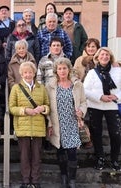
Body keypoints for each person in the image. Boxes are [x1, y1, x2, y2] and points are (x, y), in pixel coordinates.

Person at [46, 57, 87, 188]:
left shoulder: (77, 84)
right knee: (61, 152)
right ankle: (64, 176)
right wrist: (49, 124)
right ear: (56, 71)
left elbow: (83, 102)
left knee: (72, 153)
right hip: (58, 123)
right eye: (59, 69)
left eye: (64, 68)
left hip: (72, 123)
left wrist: (81, 111)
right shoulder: (50, 86)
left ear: (69, 70)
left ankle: (72, 180)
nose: (62, 71)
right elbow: (46, 105)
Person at [9, 62, 50, 188]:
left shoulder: (41, 88)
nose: (28, 74)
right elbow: (11, 108)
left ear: (34, 73)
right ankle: (26, 181)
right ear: (21, 74)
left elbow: (48, 106)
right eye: (25, 72)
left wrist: (43, 108)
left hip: (38, 127)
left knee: (37, 156)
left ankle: (35, 181)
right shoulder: (16, 88)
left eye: (30, 72)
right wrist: (25, 110)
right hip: (23, 127)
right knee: (24, 156)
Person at [83, 47, 121, 171]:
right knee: (97, 134)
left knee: (116, 134)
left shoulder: (117, 71)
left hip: (112, 106)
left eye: (107, 55)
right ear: (97, 57)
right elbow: (85, 90)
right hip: (95, 106)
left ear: (110, 57)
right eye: (102, 55)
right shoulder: (92, 73)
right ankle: (100, 158)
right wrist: (100, 97)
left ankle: (115, 159)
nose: (105, 57)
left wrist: (117, 96)